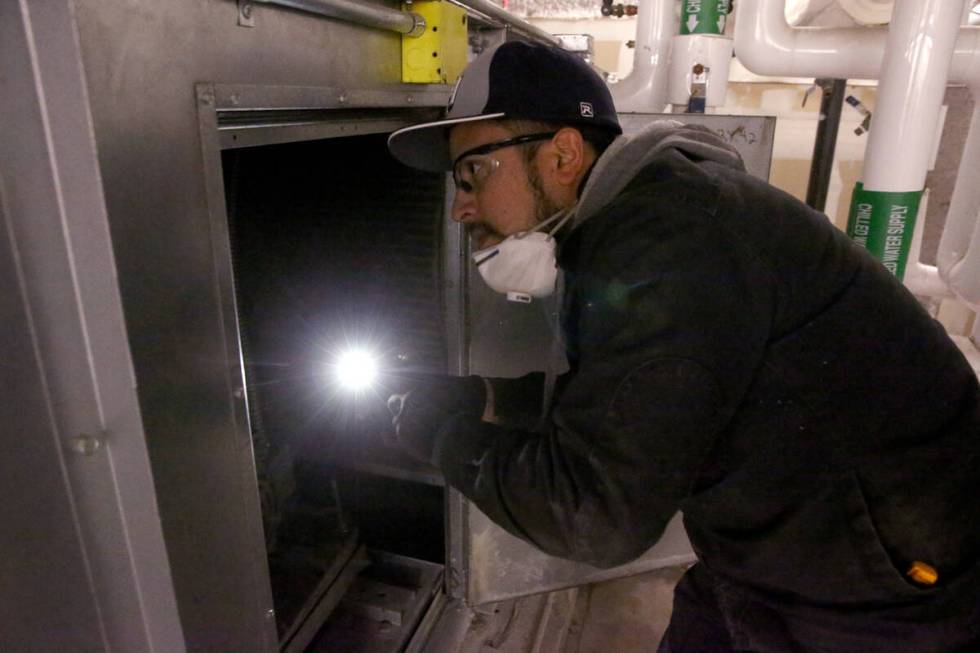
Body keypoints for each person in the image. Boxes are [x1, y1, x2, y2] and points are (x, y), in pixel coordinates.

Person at [385, 41, 980, 652]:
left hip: (879, 586)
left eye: (473, 171)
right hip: (778, 545)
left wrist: (442, 435)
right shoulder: (641, 219)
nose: (459, 205)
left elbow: (596, 518)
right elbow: (623, 400)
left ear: (562, 154)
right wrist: (486, 398)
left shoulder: (670, 243)